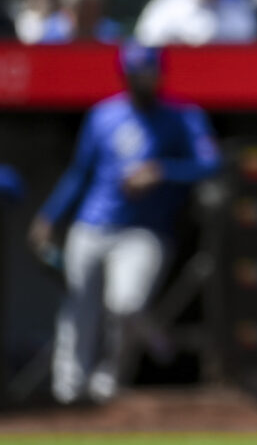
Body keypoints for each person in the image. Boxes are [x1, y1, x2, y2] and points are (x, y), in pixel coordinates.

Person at [27, 43, 221, 404]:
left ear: (159, 74)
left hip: (146, 231)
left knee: (126, 305)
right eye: (133, 74)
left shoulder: (183, 116)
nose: (139, 81)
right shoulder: (103, 114)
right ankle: (68, 391)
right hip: (92, 224)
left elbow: (211, 165)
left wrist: (162, 171)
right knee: (79, 307)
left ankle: (106, 383)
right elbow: (80, 173)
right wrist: (50, 216)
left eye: (146, 73)